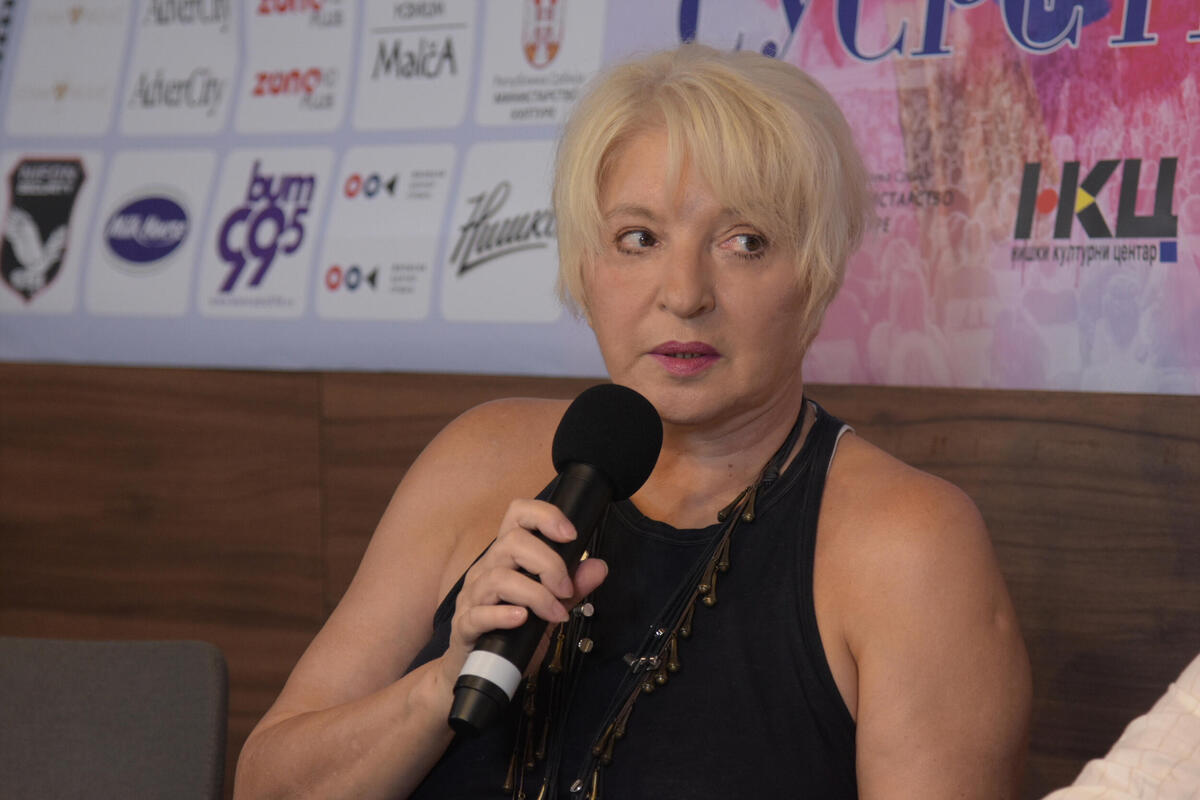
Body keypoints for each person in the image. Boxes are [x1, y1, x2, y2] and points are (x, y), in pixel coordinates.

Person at [233, 44, 1031, 799]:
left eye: (745, 242)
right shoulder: (477, 456)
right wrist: (441, 683)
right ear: (586, 265)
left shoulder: (911, 543)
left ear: (816, 275)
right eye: (638, 238)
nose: (684, 293)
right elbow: (266, 785)